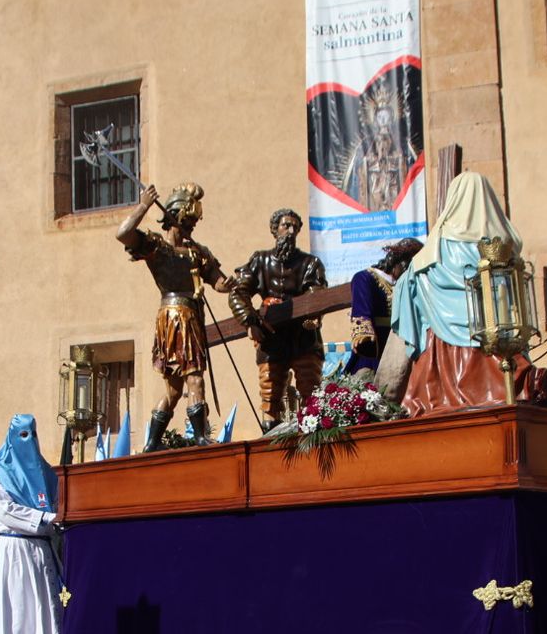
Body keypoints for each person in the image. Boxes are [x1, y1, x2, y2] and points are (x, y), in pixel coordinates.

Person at [379, 171, 547, 413]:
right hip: (498, 351)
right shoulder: (502, 247)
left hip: (442, 363)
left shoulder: (433, 250)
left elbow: (407, 293)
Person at [116, 183, 233, 449]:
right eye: (187, 221)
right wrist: (144, 205)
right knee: (194, 377)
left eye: (193, 222)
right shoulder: (157, 247)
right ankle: (201, 436)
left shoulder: (197, 252)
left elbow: (219, 283)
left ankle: (153, 442)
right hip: (174, 318)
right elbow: (123, 233)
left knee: (174, 390)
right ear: (174, 217)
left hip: (190, 316)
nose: (191, 227)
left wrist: (236, 283)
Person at [0, 414, 63, 634]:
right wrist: (45, 517)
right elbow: (5, 512)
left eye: (32, 433)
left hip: (41, 547)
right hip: (16, 547)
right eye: (22, 435)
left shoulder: (44, 471)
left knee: (43, 610)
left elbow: (56, 501)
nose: (28, 440)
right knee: (20, 611)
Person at [228, 208, 329, 429]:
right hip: (271, 340)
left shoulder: (310, 263)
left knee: (310, 390)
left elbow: (316, 291)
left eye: (295, 227)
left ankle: (311, 436)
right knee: (269, 393)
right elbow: (239, 292)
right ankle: (269, 438)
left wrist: (313, 314)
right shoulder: (260, 260)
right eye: (286, 226)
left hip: (303, 337)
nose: (290, 231)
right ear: (275, 230)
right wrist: (249, 322)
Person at [343, 238, 423, 376]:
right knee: (367, 378)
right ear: (398, 261)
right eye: (408, 268)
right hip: (377, 346)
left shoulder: (410, 282)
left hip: (405, 344)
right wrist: (364, 338)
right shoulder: (365, 278)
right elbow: (362, 311)